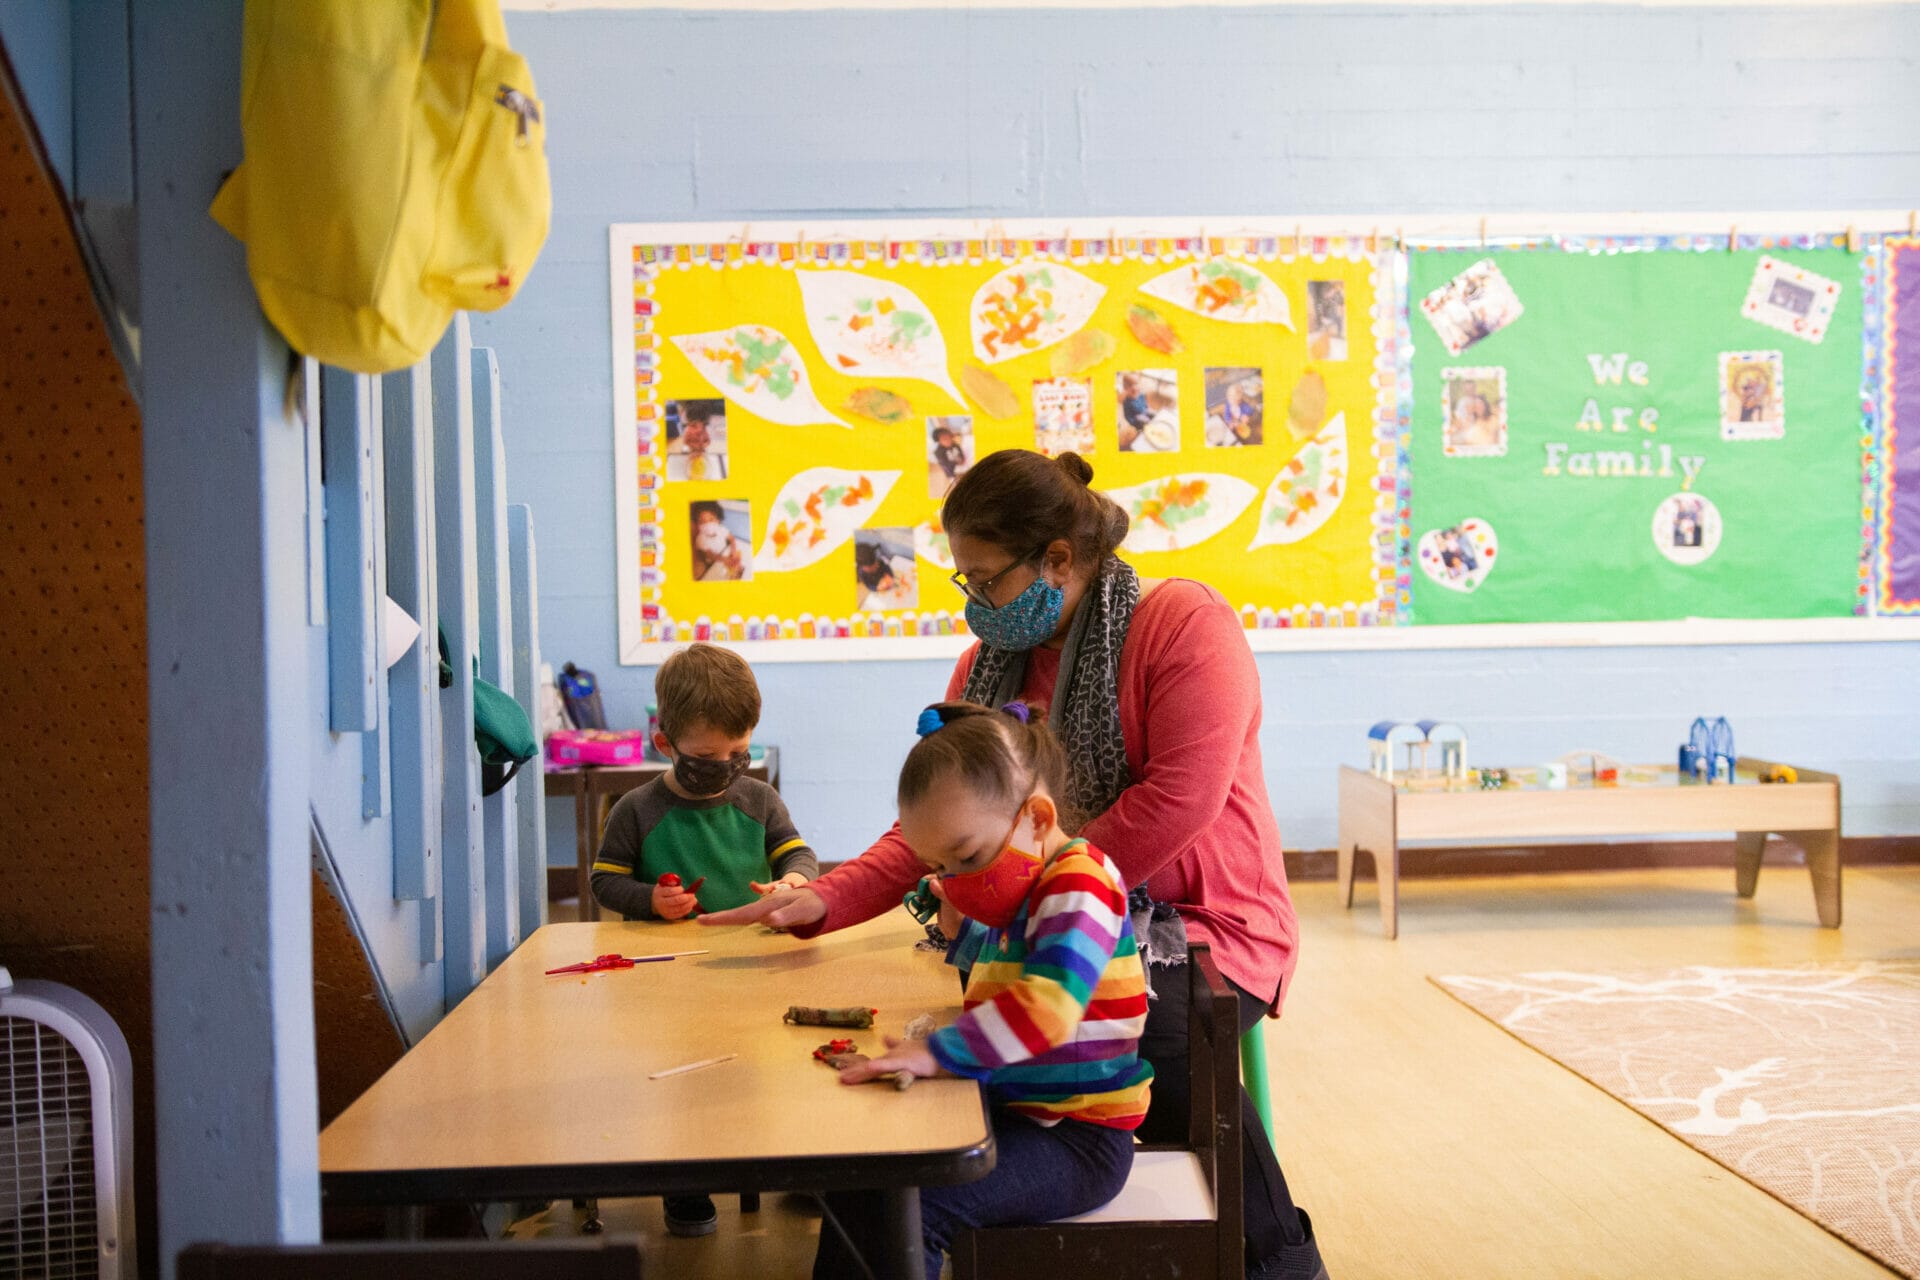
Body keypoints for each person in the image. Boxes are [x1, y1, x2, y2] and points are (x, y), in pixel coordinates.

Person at [705, 448, 1330, 1280]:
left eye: (985, 580)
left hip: (1208, 930)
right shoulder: (983, 670)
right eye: (963, 582)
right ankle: (911, 1191)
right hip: (1049, 922)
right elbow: (942, 825)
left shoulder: (1182, 624)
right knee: (986, 1029)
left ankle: (1279, 1262)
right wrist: (824, 898)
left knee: (1164, 1035)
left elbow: (1182, 798)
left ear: (1059, 560)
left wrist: (1032, 890)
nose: (975, 604)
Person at [812, 699, 1152, 1280]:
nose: (955, 877)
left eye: (966, 856)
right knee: (861, 1182)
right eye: (941, 865)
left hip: (1078, 1138)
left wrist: (938, 1053)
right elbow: (1008, 972)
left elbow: (1048, 1008)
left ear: (1037, 820)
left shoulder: (1081, 881)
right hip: (1019, 1113)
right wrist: (961, 929)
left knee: (910, 1211)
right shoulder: (1030, 892)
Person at [589, 642, 818, 1237]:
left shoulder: (759, 799)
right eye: (708, 755)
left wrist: (795, 877)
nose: (727, 765)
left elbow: (797, 851)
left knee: (761, 1070)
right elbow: (604, 881)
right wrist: (650, 900)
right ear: (665, 744)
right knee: (684, 1081)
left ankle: (782, 1159)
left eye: (739, 752)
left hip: (751, 969)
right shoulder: (636, 810)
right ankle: (685, 1183)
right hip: (669, 978)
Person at [690, 501, 748, 582]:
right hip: (714, 562)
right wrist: (724, 559)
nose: (707, 524)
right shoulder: (700, 539)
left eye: (711, 519)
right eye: (702, 521)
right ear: (697, 524)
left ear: (718, 520)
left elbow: (732, 539)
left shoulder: (721, 529)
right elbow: (710, 555)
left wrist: (733, 551)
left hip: (725, 553)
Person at [667, 404, 728, 480]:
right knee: (689, 463)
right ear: (689, 423)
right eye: (693, 425)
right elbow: (686, 442)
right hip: (692, 450)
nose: (698, 428)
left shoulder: (704, 431)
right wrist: (693, 448)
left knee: (706, 462)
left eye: (702, 425)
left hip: (702, 450)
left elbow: (707, 441)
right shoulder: (688, 431)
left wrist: (703, 446)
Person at [931, 424, 970, 492]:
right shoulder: (938, 452)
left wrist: (962, 457)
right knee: (956, 483)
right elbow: (944, 464)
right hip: (951, 470)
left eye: (949, 437)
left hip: (961, 465)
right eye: (944, 439)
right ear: (939, 441)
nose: (948, 440)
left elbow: (960, 451)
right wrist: (956, 463)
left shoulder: (955, 444)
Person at [1118, 375, 1153, 451]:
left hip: (1146, 413)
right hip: (1138, 422)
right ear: (1125, 389)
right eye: (1130, 386)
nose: (1134, 388)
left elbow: (1145, 404)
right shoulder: (1127, 403)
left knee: (1155, 417)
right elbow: (1128, 417)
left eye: (1136, 384)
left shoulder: (1141, 395)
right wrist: (1136, 418)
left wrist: (1147, 408)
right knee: (1145, 433)